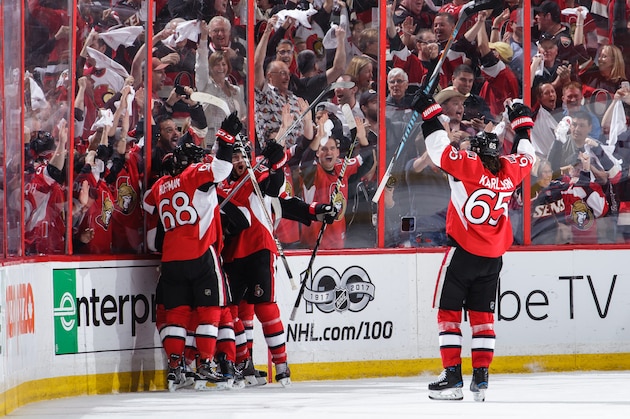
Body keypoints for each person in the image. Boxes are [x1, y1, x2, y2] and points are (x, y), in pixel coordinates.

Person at [411, 91, 536, 401]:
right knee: (482, 316)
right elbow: (528, 155)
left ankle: (452, 377)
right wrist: (522, 124)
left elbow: (439, 151)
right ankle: (481, 379)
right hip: (494, 258)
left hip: (463, 253)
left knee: (448, 313)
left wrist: (429, 112)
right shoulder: (509, 170)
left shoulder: (469, 166)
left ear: (477, 152)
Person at [142, 112, 240, 391]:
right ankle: (205, 363)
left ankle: (175, 367)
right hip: (200, 252)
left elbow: (148, 204)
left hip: (171, 258)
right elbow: (221, 170)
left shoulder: (159, 186)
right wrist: (225, 139)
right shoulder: (193, 175)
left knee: (177, 313)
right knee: (211, 308)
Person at [218, 138, 293, 386]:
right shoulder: (220, 186)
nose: (238, 162)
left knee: (264, 307)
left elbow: (275, 188)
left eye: (242, 157)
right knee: (233, 311)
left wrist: (277, 162)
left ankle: (281, 365)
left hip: (259, 249)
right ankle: (244, 363)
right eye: (234, 157)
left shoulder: (255, 175)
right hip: (232, 255)